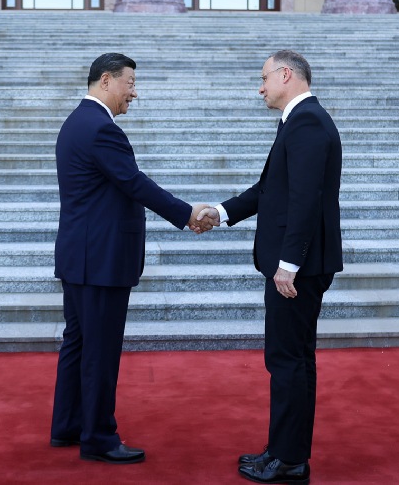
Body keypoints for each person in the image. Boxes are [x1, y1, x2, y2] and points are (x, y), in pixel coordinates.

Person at [50, 53, 212, 464]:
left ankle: (69, 425)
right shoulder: (102, 129)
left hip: (81, 256)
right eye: (131, 84)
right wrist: (185, 212)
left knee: (79, 344)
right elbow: (134, 183)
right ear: (106, 80)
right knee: (99, 351)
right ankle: (99, 438)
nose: (134, 93)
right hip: (101, 260)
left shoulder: (76, 122)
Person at [198, 50, 342, 484]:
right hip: (296, 262)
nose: (260, 88)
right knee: (291, 359)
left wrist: (288, 264)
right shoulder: (297, 121)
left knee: (287, 360)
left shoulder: (309, 122)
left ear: (286, 74)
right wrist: (220, 213)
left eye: (263, 78)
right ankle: (284, 450)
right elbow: (270, 189)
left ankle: (289, 460)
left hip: (297, 267)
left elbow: (305, 199)